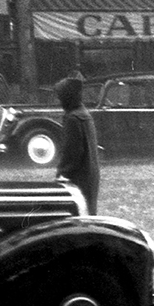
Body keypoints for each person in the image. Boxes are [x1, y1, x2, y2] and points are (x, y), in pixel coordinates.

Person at [54, 76, 100, 214]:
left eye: (61, 97)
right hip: (89, 174)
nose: (59, 101)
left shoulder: (73, 118)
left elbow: (72, 153)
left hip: (78, 177)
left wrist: (62, 174)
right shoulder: (83, 114)